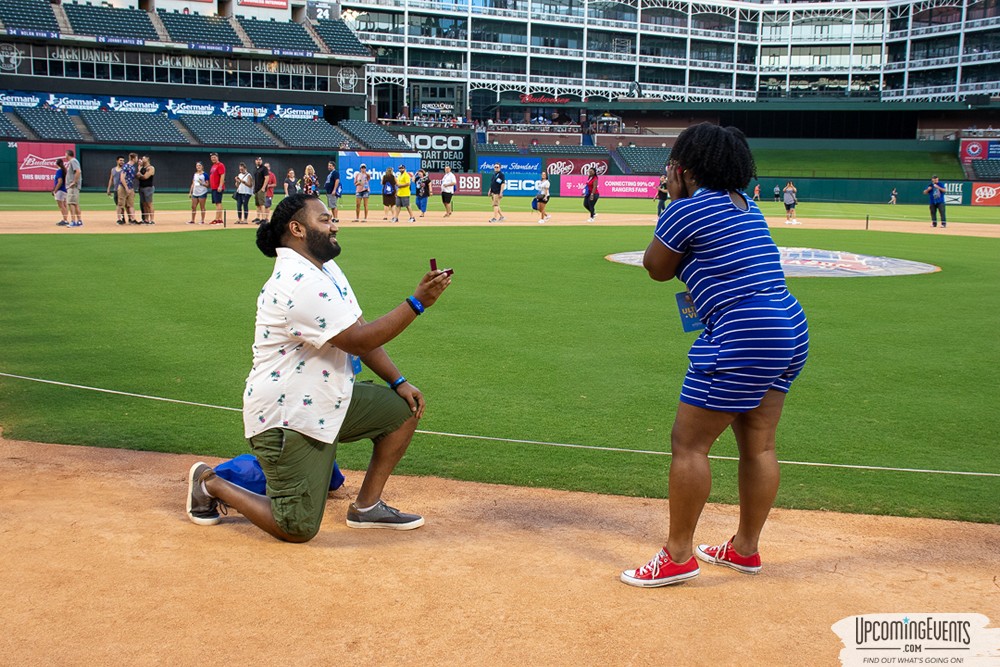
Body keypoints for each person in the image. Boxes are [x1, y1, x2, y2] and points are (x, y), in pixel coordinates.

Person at [184, 193, 452, 543]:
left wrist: (398, 381)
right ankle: (210, 483)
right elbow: (358, 340)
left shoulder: (325, 269)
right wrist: (417, 303)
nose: (334, 225)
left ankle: (367, 507)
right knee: (296, 528)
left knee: (403, 409)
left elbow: (359, 327)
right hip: (289, 416)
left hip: (326, 399)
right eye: (325, 220)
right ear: (297, 229)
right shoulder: (297, 283)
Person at [622, 123, 809, 588]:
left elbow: (655, 267)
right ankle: (744, 549)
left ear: (686, 168)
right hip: (788, 324)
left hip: (742, 330)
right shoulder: (747, 205)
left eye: (673, 166)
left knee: (689, 444)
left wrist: (672, 204)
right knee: (760, 444)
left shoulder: (686, 209)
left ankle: (678, 555)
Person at [64, 149, 83, 227]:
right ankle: (79, 221)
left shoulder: (73, 161)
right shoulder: (73, 161)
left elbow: (78, 171)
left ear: (68, 154)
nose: (65, 156)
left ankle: (73, 221)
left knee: (71, 203)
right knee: (75, 203)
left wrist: (74, 182)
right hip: (73, 186)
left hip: (73, 186)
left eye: (65, 154)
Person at [119, 153, 139, 225]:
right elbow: (122, 178)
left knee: (130, 204)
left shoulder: (133, 167)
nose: (137, 159)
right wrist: (126, 187)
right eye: (136, 158)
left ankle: (132, 219)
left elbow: (132, 177)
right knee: (121, 204)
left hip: (131, 187)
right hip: (123, 187)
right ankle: (121, 219)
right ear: (133, 158)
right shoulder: (126, 166)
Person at [106, 155, 125, 225]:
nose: (122, 162)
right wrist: (108, 189)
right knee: (118, 204)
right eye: (120, 160)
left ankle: (121, 218)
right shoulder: (113, 170)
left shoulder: (124, 169)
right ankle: (120, 218)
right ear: (117, 161)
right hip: (116, 189)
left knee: (121, 205)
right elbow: (111, 179)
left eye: (123, 161)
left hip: (122, 189)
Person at [137, 156, 155, 225]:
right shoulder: (142, 168)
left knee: (149, 204)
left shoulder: (151, 168)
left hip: (148, 188)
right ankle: (146, 219)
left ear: (147, 159)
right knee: (144, 204)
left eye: (143, 158)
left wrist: (140, 174)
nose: (142, 159)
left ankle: (152, 220)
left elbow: (145, 177)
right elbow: (137, 176)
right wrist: (139, 171)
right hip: (141, 187)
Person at [209, 153, 226, 225]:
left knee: (218, 202)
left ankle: (218, 219)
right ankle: (219, 218)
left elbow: (222, 175)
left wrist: (220, 186)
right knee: (217, 203)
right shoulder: (213, 166)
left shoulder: (220, 165)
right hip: (213, 187)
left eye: (214, 157)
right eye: (212, 157)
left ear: (217, 157)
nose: (213, 158)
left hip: (217, 187)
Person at [253, 157, 270, 225]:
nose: (258, 161)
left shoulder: (264, 168)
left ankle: (263, 219)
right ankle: (258, 218)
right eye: (257, 160)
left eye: (260, 160)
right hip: (256, 189)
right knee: (257, 204)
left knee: (262, 204)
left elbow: (267, 178)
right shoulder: (256, 169)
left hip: (261, 189)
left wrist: (263, 188)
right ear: (255, 161)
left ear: (261, 161)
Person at [53, 157, 69, 227]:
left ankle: (65, 220)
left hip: (60, 190)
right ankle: (65, 219)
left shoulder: (59, 171)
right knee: (64, 205)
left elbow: (60, 181)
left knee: (61, 206)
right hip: (64, 190)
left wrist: (55, 190)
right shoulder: (64, 170)